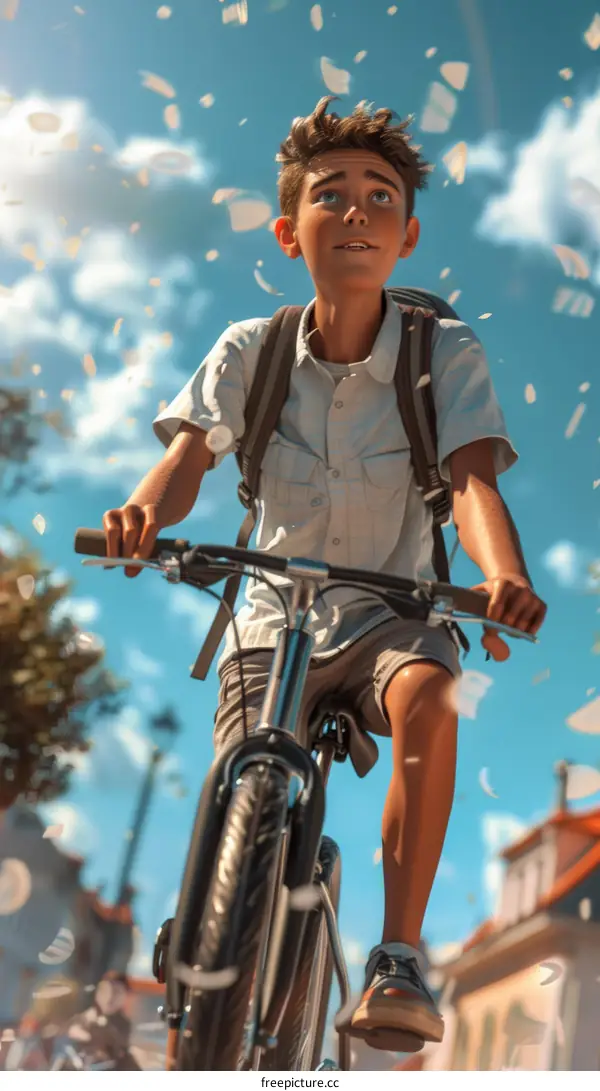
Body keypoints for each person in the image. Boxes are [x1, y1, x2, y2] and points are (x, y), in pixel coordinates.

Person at [101, 96, 546, 1052]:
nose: (355, 212)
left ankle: (398, 954)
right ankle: (217, 911)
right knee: (245, 758)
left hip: (395, 609)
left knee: (432, 693)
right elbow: (187, 459)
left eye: (378, 197)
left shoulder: (442, 354)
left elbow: (471, 484)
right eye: (329, 195)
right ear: (286, 229)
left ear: (408, 234)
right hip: (272, 614)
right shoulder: (249, 351)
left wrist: (501, 573)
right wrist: (144, 511)